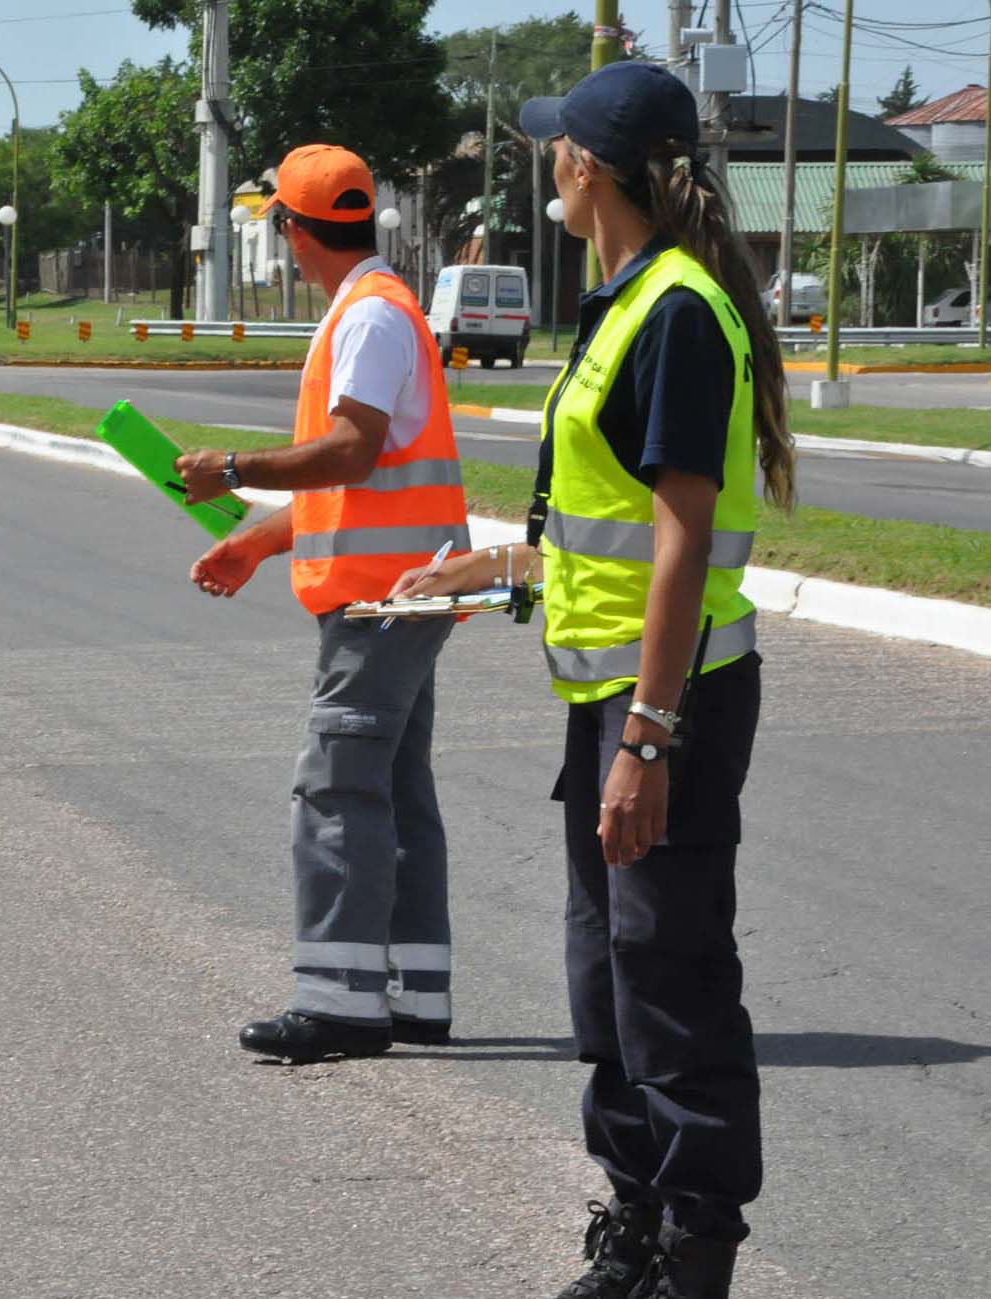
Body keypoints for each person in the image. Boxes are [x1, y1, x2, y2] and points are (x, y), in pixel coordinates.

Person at [389, 62, 797, 1299]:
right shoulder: (621, 302)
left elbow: (682, 535)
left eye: (552, 148)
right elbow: (606, 517)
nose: (543, 163)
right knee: (607, 981)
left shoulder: (675, 309)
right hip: (609, 696)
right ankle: (632, 1223)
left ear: (586, 167)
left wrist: (649, 739)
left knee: (669, 978)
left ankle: (693, 1251)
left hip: (665, 700)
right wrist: (497, 559)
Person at [175, 144, 469, 1063]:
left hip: (381, 604)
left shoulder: (369, 319)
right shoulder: (374, 308)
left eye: (283, 228)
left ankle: (342, 1001)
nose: (289, 245)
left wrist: (230, 468)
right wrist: (257, 540)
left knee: (339, 785)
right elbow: (348, 483)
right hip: (402, 593)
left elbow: (349, 451)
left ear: (296, 231)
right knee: (394, 787)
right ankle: (413, 993)